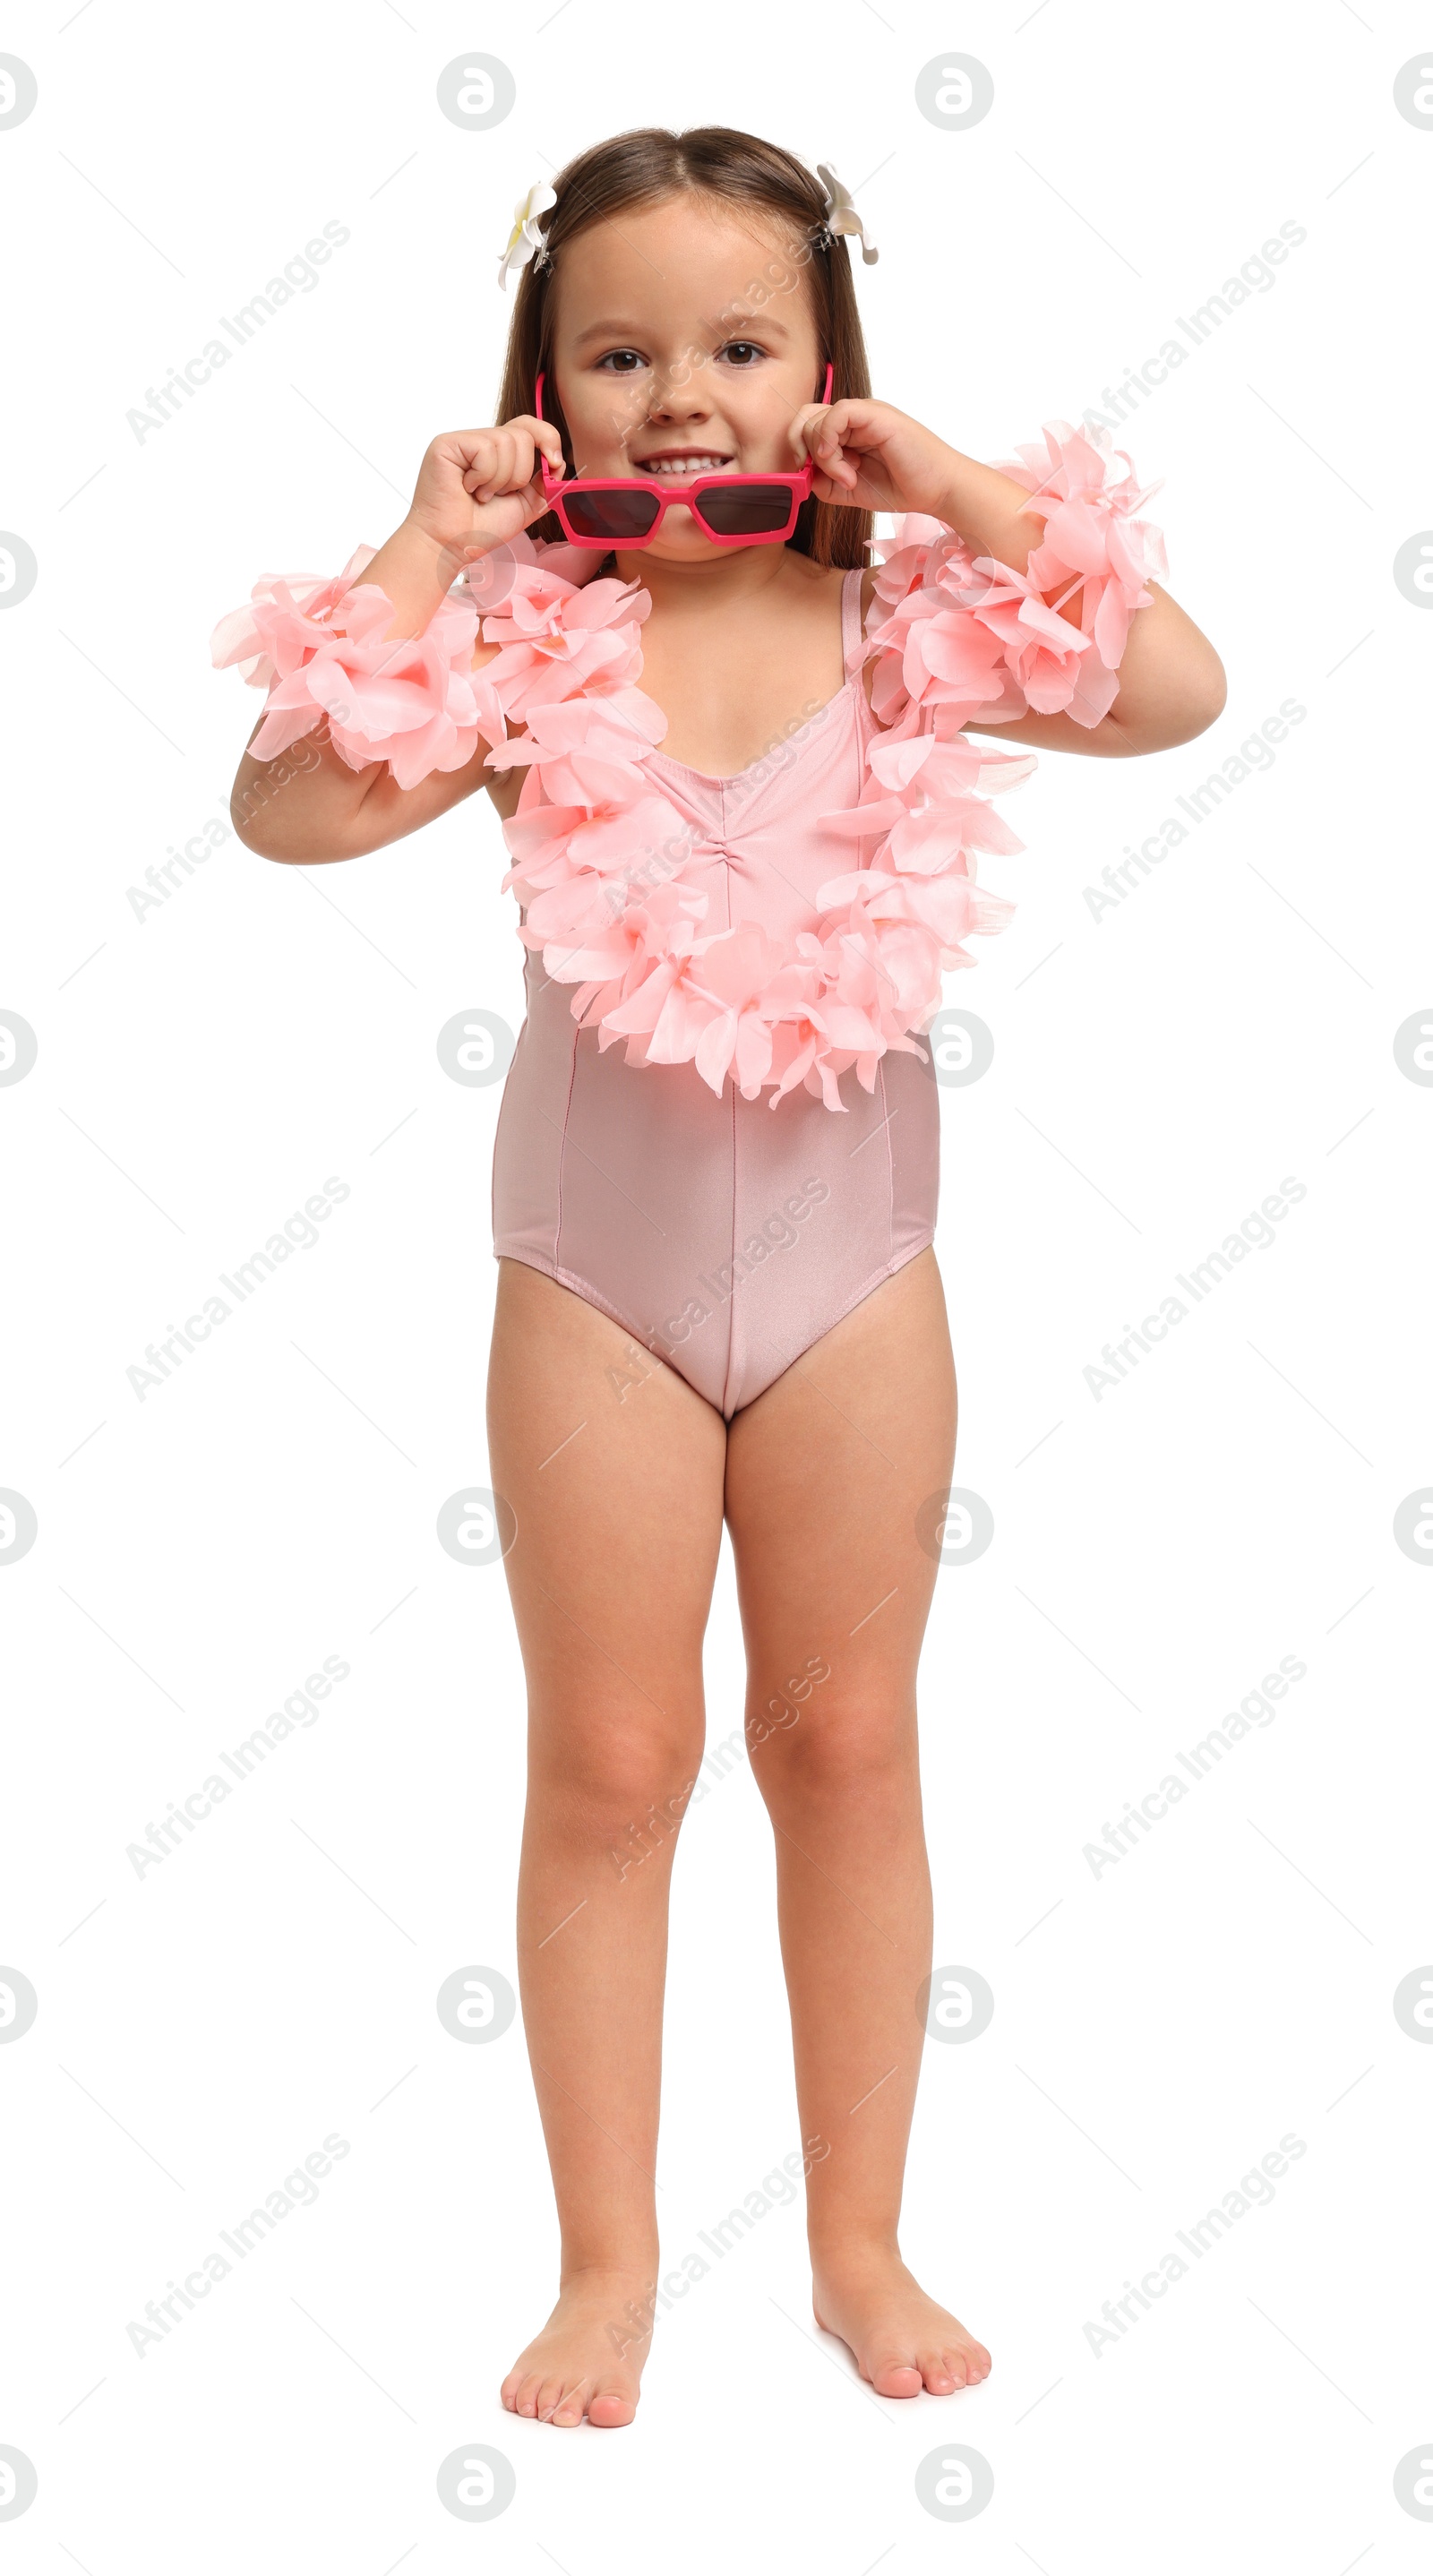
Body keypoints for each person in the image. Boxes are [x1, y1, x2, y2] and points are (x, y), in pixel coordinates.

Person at [216, 125, 1225, 2431]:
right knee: (610, 1753)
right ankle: (606, 2259)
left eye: (742, 343)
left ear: (825, 371)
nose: (685, 388)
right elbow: (285, 804)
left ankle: (859, 2239)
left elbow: (1169, 686)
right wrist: (423, 540)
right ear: (545, 388)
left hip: (864, 1271)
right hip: (597, 1277)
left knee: (848, 1741)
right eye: (623, 349)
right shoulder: (515, 649)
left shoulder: (907, 624)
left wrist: (960, 487)